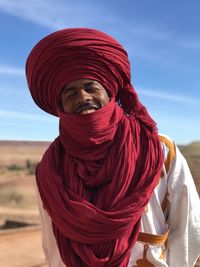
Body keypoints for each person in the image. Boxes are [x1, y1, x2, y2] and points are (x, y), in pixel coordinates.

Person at [26, 28, 200, 267]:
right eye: (70, 93)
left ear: (109, 92)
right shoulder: (50, 169)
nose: (83, 97)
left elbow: (188, 226)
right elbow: (52, 243)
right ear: (61, 106)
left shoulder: (157, 150)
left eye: (91, 87)